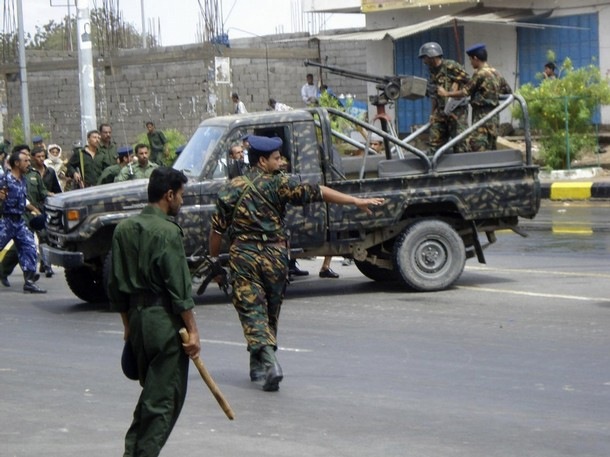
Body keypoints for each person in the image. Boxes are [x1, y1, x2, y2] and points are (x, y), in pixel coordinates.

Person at [209, 135, 384, 391]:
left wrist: (214, 261)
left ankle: (268, 362)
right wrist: (355, 201)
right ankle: (259, 365)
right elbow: (319, 192)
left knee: (252, 312)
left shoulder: (232, 187)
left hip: (244, 258)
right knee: (270, 312)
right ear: (262, 161)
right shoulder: (281, 184)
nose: (281, 162)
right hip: (276, 257)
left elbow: (216, 231)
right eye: (277, 158)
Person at [108, 167, 201, 457]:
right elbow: (180, 290)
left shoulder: (123, 229)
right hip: (164, 325)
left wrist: (127, 326)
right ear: (168, 195)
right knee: (163, 403)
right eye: (181, 196)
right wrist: (194, 332)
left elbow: (115, 286)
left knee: (150, 399)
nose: (182, 202)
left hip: (137, 323)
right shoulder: (168, 232)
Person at [438, 43, 512, 152]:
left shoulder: (480, 74)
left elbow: (465, 91)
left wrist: (446, 94)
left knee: (477, 146)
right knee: (491, 146)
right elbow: (507, 91)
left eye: (471, 60)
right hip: (494, 116)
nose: (471, 62)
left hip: (481, 115)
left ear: (475, 58)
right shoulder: (496, 73)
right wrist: (491, 94)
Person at [0, 149, 46, 293]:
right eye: (25, 161)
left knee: (29, 247)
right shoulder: (5, 180)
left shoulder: (23, 180)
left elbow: (23, 200)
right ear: (16, 163)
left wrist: (35, 210)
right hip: (6, 220)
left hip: (19, 221)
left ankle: (29, 281)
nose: (28, 163)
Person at [419, 41, 471, 154]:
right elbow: (434, 94)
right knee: (434, 142)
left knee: (460, 143)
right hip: (441, 111)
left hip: (457, 111)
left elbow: (468, 82)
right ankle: (433, 166)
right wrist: (432, 113)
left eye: (425, 57)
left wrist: (451, 90)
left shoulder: (450, 66)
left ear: (432, 55)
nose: (424, 61)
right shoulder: (432, 71)